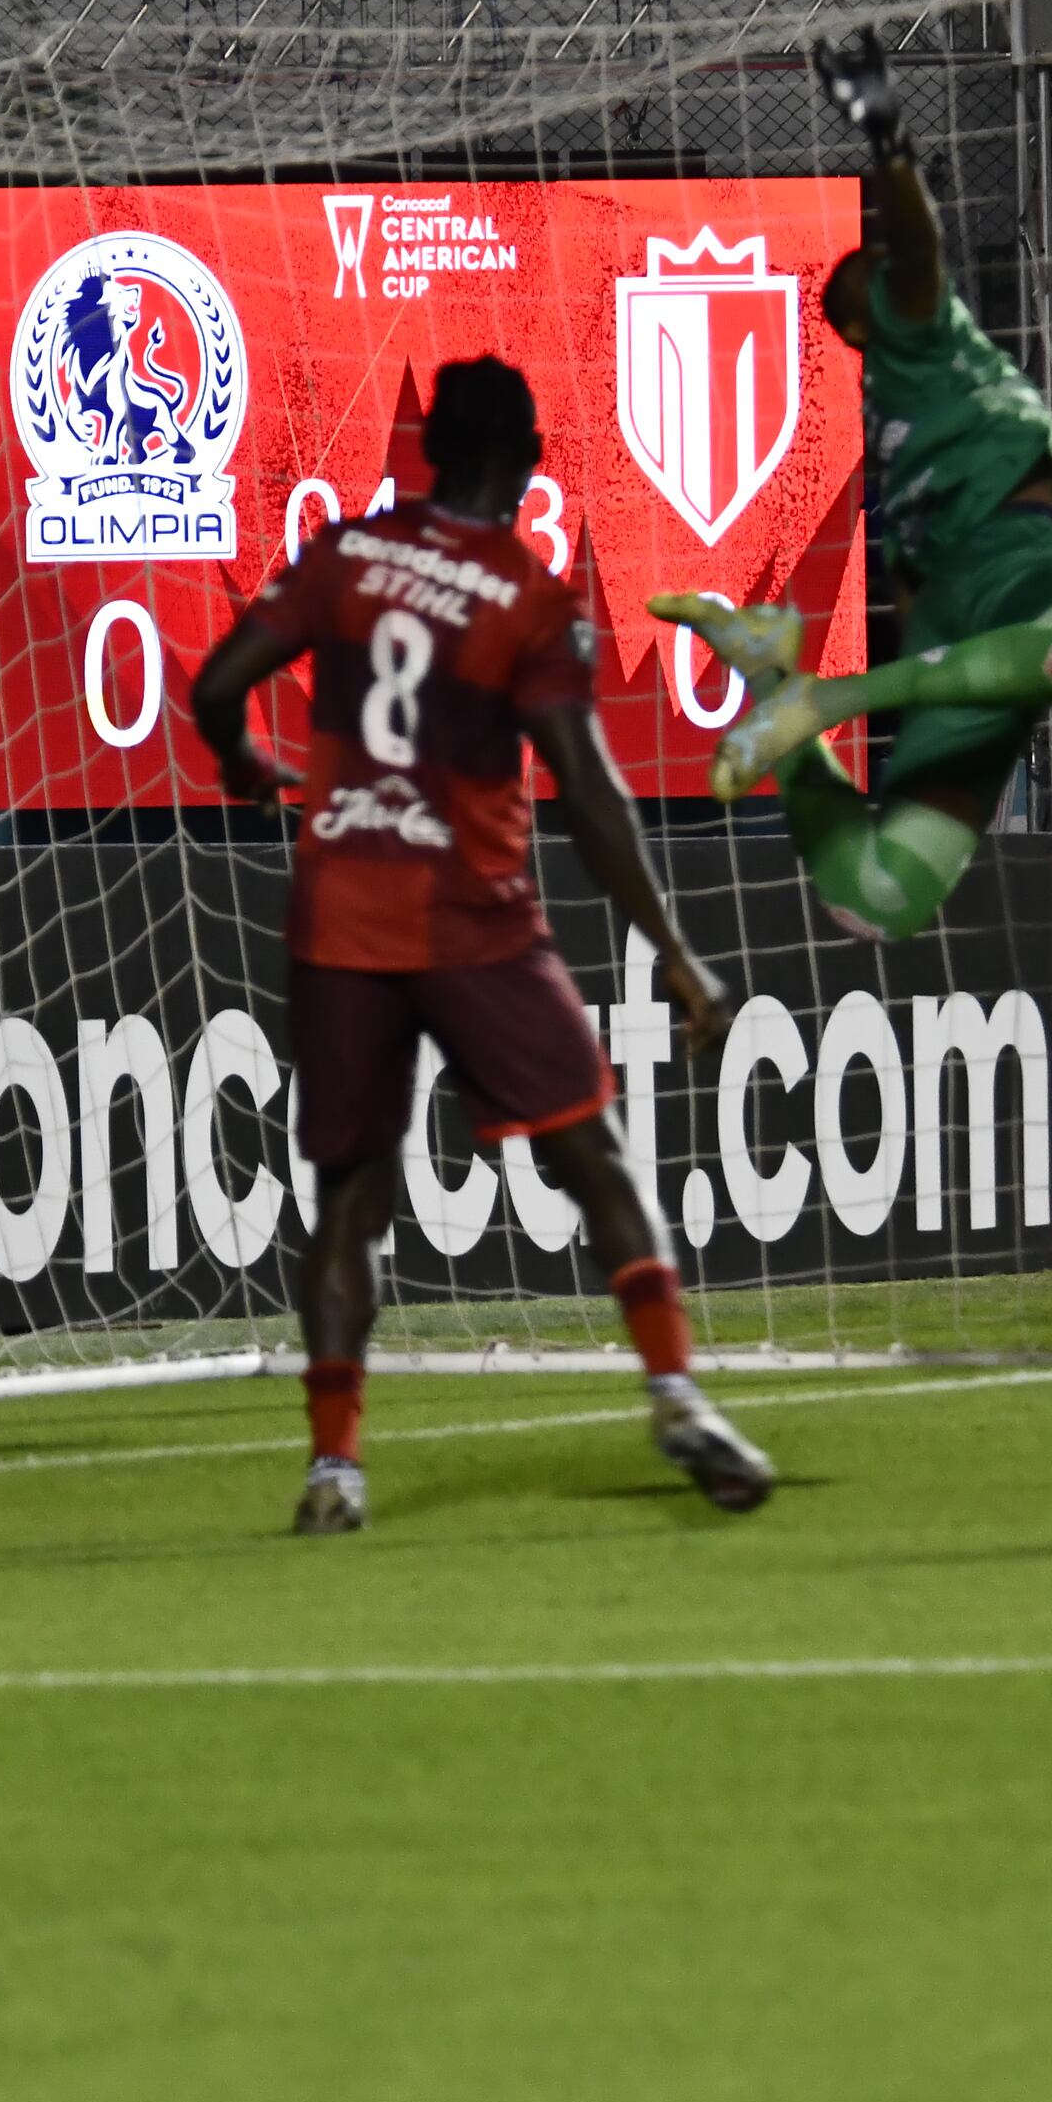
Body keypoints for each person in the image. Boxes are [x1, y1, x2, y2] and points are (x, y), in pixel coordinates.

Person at [183, 353, 771, 1538]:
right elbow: (590, 792)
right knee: (591, 1155)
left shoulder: (344, 557)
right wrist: (670, 946)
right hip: (470, 917)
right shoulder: (528, 601)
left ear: (433, 452)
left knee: (349, 1196)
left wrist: (247, 763)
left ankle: (334, 1469)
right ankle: (673, 1396)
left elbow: (215, 684)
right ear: (526, 458)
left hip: (339, 906)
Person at [646, 31, 1052, 944]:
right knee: (876, 899)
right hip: (964, 628)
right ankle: (784, 687)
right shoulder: (893, 399)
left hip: (1015, 553)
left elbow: (916, 242)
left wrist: (887, 135)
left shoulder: (932, 330)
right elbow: (910, 582)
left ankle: (818, 699)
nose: (899, 271)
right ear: (860, 319)